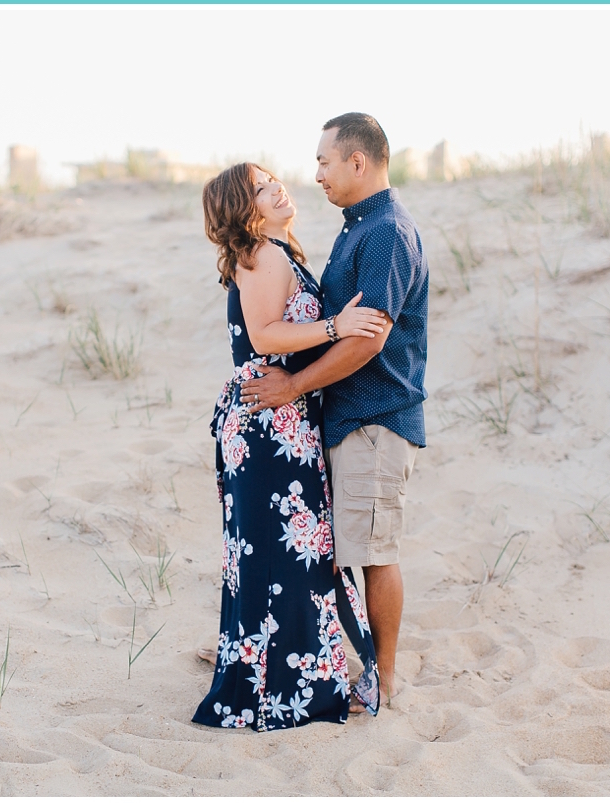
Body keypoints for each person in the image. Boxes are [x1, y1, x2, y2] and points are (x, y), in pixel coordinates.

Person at [241, 113, 428, 707]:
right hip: (347, 419)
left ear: (357, 162)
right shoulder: (357, 229)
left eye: (324, 161)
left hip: (375, 418)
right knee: (351, 549)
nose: (315, 173)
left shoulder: (386, 233)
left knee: (374, 554)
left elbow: (366, 338)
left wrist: (292, 389)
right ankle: (348, 663)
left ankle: (385, 681)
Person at [192, 162, 386, 731]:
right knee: (283, 556)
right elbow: (265, 336)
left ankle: (289, 680)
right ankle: (281, 688)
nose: (278, 186)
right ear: (243, 208)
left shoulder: (279, 253)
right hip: (267, 425)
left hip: (282, 421)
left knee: (289, 555)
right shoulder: (261, 254)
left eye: (273, 177)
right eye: (260, 186)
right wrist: (338, 328)